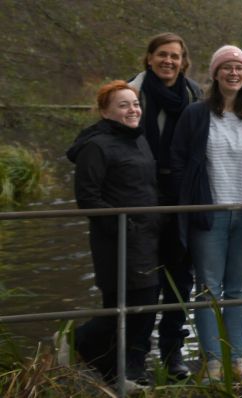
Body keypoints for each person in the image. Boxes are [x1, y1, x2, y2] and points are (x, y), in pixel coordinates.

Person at [169, 45, 242, 381]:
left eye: (239, 68)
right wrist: (190, 197)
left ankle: (236, 361)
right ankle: (213, 363)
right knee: (208, 289)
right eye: (227, 67)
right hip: (209, 216)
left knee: (238, 291)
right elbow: (177, 160)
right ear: (215, 73)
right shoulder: (196, 114)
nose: (234, 73)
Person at [66, 81, 160, 389]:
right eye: (123, 105)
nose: (132, 110)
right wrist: (122, 227)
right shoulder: (96, 146)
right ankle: (76, 340)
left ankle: (115, 374)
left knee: (144, 302)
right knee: (122, 304)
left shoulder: (138, 139)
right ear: (105, 112)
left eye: (135, 104)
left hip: (146, 236)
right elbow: (88, 196)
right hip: (117, 240)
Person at [127, 32, 202, 379]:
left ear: (183, 61)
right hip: (143, 196)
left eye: (175, 56)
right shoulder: (132, 93)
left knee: (179, 280)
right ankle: (135, 358)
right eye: (162, 54)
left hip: (181, 195)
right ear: (149, 57)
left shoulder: (193, 94)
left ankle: (173, 354)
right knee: (143, 282)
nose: (168, 61)